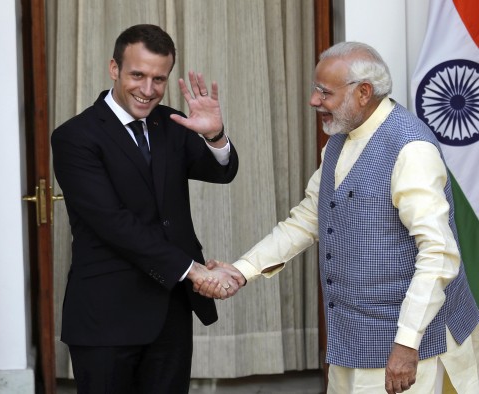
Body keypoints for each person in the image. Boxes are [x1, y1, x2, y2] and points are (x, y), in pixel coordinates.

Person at [196, 42, 479, 394]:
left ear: (363, 93)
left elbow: (439, 254)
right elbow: (308, 218)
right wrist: (242, 270)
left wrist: (407, 343)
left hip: (410, 350)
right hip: (351, 341)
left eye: (324, 92)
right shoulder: (338, 140)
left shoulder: (411, 150)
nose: (314, 101)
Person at [51, 24, 244, 394]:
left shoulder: (171, 122)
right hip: (106, 315)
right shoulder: (75, 136)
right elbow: (114, 224)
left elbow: (222, 172)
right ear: (114, 69)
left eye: (159, 79)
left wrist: (214, 135)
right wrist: (193, 271)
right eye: (137, 75)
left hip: (169, 311)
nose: (148, 89)